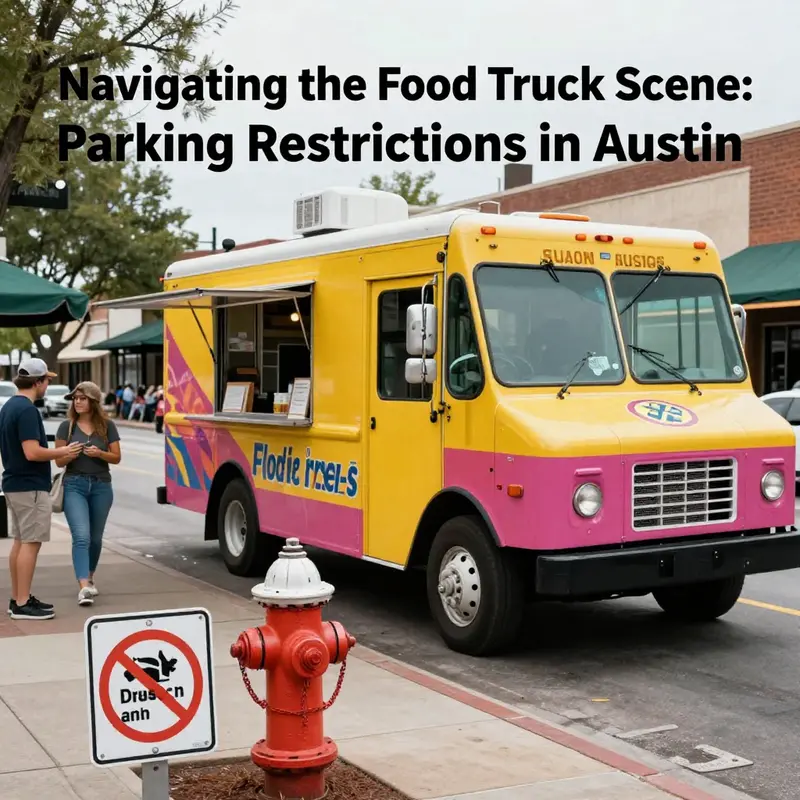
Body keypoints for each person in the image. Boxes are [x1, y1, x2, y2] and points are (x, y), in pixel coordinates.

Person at [0, 358, 83, 620]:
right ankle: (23, 602)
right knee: (31, 543)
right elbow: (32, 452)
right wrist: (64, 451)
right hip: (30, 486)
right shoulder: (27, 410)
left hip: (13, 483)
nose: (48, 384)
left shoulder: (8, 407)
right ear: (37, 382)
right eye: (46, 380)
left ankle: (18, 598)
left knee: (20, 542)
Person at [54, 381, 122, 607]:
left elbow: (116, 457)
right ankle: (83, 587)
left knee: (95, 538)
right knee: (81, 536)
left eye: (82, 398)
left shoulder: (107, 425)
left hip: (102, 485)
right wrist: (70, 454)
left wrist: (99, 453)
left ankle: (90, 576)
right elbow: (58, 460)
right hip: (75, 485)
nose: (78, 402)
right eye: (75, 398)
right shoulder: (67, 427)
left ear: (93, 401)